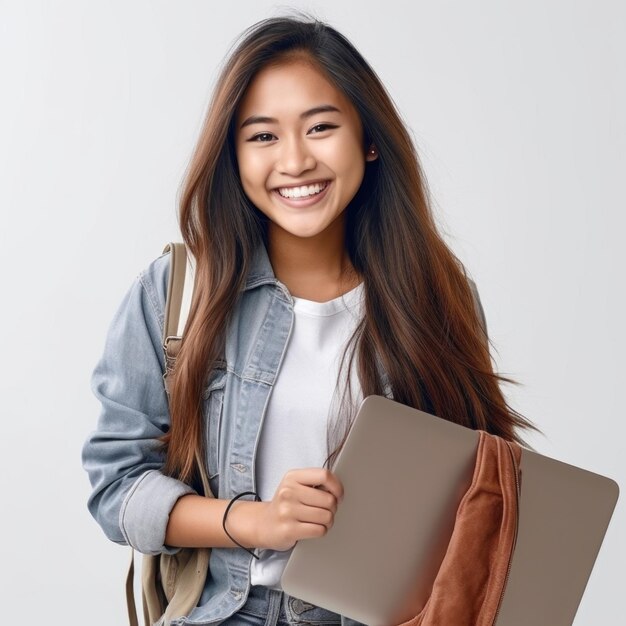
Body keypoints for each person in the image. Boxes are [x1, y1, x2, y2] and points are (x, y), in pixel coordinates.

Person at [82, 11, 536, 626]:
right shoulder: (177, 291)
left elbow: (482, 489)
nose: (294, 161)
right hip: (227, 613)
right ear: (234, 157)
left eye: (320, 127)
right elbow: (117, 487)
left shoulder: (436, 293)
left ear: (367, 139)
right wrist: (255, 520)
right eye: (263, 136)